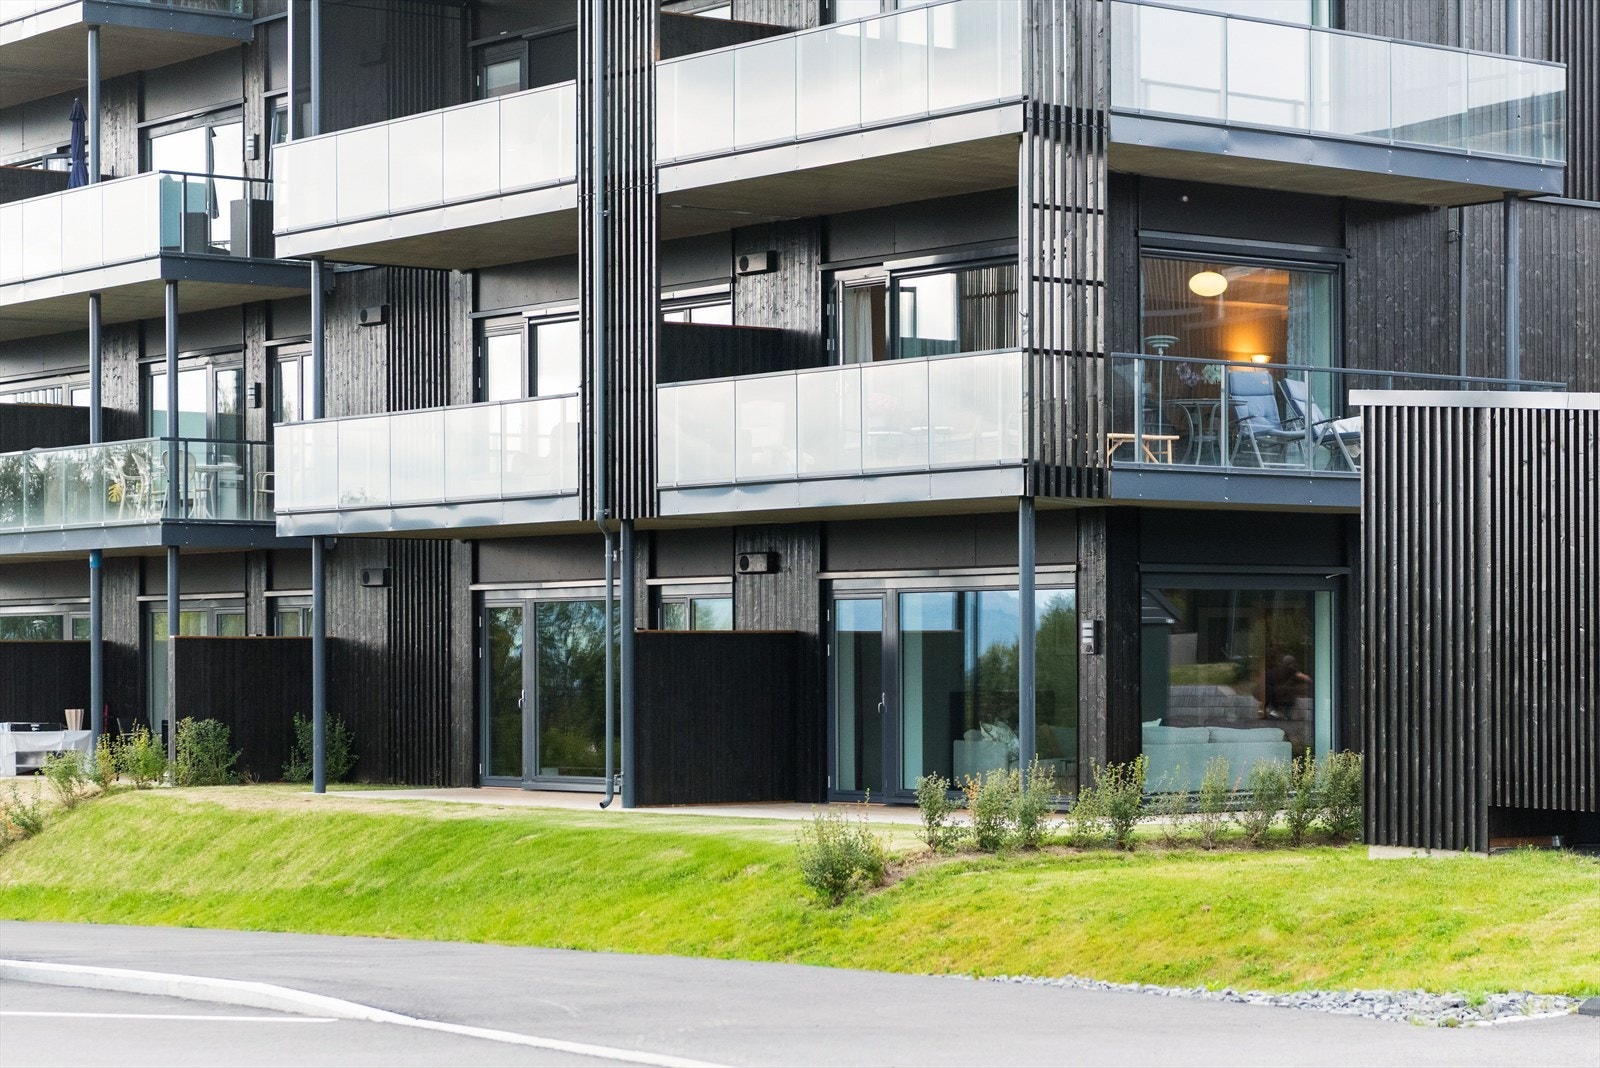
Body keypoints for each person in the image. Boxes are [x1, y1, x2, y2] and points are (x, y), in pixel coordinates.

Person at [1263, 654, 1310, 721]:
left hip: (1267, 691)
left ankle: (1273, 711)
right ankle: (1283, 714)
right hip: (1276, 692)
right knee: (1290, 696)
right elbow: (1304, 677)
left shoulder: (1275, 669)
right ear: (1292, 663)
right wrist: (1312, 682)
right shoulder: (1291, 669)